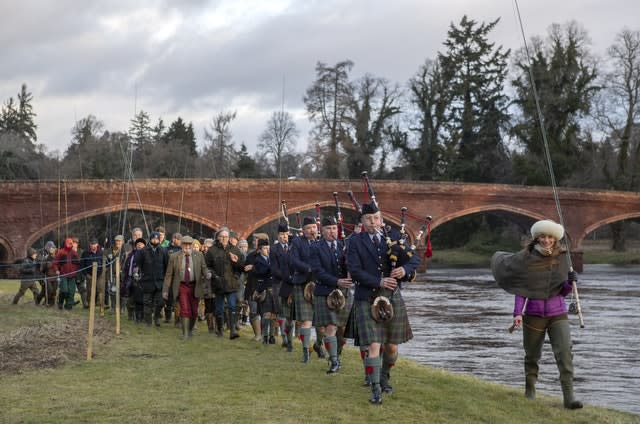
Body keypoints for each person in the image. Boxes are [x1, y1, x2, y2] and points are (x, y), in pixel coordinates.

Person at [491, 219, 583, 410]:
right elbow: (521, 288)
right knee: (532, 355)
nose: (546, 240)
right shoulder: (526, 258)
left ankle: (569, 398)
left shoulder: (564, 257)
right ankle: (530, 390)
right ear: (537, 238)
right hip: (533, 315)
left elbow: (564, 291)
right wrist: (517, 313)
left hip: (558, 313)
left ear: (555, 239)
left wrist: (571, 281)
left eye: (550, 237)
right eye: (543, 236)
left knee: (565, 353)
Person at [347, 202, 420, 404]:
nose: (374, 222)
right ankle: (375, 388)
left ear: (381, 218)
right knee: (373, 344)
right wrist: (378, 280)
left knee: (392, 347)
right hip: (366, 296)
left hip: (391, 296)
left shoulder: (394, 236)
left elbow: (415, 259)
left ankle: (384, 375)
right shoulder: (355, 242)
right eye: (369, 218)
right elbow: (354, 270)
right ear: (362, 221)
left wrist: (405, 270)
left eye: (377, 218)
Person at [309, 216, 353, 373]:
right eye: (328, 229)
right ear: (322, 230)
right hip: (325, 291)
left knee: (343, 330)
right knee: (331, 327)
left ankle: (337, 355)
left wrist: (351, 271)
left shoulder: (344, 246)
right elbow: (317, 271)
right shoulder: (315, 247)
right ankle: (333, 361)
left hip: (345, 292)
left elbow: (352, 265)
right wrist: (337, 281)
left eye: (334, 228)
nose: (332, 231)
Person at [163, 236, 209, 340]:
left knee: (194, 311)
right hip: (181, 285)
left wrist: (207, 274)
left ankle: (190, 330)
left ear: (192, 245)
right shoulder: (174, 256)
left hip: (195, 286)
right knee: (184, 309)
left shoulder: (199, 255)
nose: (187, 246)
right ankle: (185, 334)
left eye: (189, 244)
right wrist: (165, 290)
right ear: (181, 245)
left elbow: (204, 268)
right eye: (185, 244)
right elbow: (169, 274)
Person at [205, 227, 245, 339]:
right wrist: (214, 276)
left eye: (226, 236)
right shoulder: (212, 250)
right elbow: (207, 266)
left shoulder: (235, 250)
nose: (224, 238)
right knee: (219, 308)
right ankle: (220, 330)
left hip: (231, 283)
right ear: (218, 237)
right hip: (218, 283)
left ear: (229, 238)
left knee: (232, 306)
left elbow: (241, 267)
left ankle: (232, 330)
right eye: (221, 236)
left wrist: (236, 266)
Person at [289, 216, 319, 362]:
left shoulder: (322, 242)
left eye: (313, 227)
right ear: (303, 230)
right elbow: (294, 260)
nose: (311, 230)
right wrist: (308, 268)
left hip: (320, 285)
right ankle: (306, 351)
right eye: (308, 228)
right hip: (302, 283)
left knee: (322, 322)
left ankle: (318, 345)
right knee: (306, 320)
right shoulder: (297, 242)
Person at [135, 232, 169, 327]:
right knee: (147, 302)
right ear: (150, 239)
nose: (155, 241)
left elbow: (166, 266)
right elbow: (138, 264)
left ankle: (157, 317)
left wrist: (165, 279)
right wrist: (139, 276)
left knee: (161, 301)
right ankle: (148, 321)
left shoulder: (163, 251)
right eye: (153, 239)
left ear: (159, 240)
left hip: (160, 281)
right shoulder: (143, 251)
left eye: (157, 239)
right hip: (147, 281)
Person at [271, 223, 294, 350]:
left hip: (291, 283)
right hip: (279, 283)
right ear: (278, 235)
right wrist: (287, 277)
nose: (284, 237)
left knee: (290, 312)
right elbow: (274, 269)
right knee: (281, 311)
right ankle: (284, 337)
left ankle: (289, 337)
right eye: (281, 234)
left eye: (286, 234)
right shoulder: (274, 249)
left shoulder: (292, 247)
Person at [243, 233, 269, 341]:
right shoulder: (250, 256)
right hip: (252, 286)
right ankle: (258, 335)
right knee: (253, 312)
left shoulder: (270, 255)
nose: (254, 242)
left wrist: (253, 267)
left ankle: (265, 335)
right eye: (253, 240)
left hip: (266, 287)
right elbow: (244, 268)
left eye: (256, 240)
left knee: (265, 313)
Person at [253, 239, 277, 344]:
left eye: (268, 248)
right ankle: (265, 335)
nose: (267, 250)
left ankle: (272, 336)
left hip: (274, 288)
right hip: (264, 289)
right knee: (266, 313)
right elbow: (262, 272)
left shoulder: (271, 259)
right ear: (260, 250)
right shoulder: (258, 260)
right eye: (265, 248)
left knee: (273, 314)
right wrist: (273, 267)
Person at [52, 237, 81, 310]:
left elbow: (79, 263)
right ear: (65, 244)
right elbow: (55, 263)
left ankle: (68, 306)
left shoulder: (74, 253)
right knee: (64, 290)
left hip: (72, 275)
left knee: (71, 291)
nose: (70, 245)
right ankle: (60, 302)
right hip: (63, 274)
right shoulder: (61, 252)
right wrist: (56, 270)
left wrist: (77, 271)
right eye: (69, 243)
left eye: (71, 243)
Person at [123, 238, 146, 322]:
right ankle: (130, 315)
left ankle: (141, 317)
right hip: (131, 278)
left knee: (141, 300)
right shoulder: (131, 254)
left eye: (141, 243)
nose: (139, 244)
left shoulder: (147, 254)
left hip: (142, 280)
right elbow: (126, 266)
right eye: (138, 243)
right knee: (130, 298)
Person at [81, 238, 106, 314]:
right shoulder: (85, 253)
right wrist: (86, 274)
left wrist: (102, 273)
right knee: (90, 290)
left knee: (101, 289)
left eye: (94, 244)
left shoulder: (101, 253)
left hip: (100, 274)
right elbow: (82, 265)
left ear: (97, 244)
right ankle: (90, 306)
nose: (93, 246)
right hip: (89, 275)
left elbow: (104, 263)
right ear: (90, 245)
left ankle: (101, 306)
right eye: (92, 244)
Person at [103, 235, 127, 313]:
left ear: (123, 242)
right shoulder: (109, 250)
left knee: (123, 291)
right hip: (112, 274)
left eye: (119, 241)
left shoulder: (125, 251)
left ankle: (122, 308)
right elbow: (104, 259)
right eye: (116, 241)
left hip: (123, 274)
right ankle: (113, 308)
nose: (118, 242)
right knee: (113, 291)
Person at [165, 232, 182, 325]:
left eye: (178, 239)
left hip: (179, 276)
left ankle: (177, 319)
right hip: (170, 275)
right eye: (175, 238)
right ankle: (168, 317)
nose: (176, 240)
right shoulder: (167, 249)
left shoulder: (182, 249)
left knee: (178, 299)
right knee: (169, 298)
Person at [36, 241, 58, 306]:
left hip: (51, 275)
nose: (52, 249)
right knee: (44, 290)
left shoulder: (53, 254)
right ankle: (38, 301)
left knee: (50, 290)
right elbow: (40, 263)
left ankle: (48, 302)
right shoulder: (41, 253)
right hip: (42, 274)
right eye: (51, 247)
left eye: (53, 247)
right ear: (47, 247)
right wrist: (46, 260)